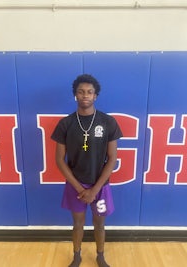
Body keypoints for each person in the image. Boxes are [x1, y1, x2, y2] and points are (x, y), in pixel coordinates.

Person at [51, 74, 122, 267]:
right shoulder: (66, 123)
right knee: (78, 224)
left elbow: (112, 158)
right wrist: (80, 188)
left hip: (101, 186)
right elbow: (59, 159)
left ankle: (100, 256)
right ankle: (77, 256)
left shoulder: (108, 122)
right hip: (76, 186)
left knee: (100, 224)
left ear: (96, 96)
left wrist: (94, 189)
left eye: (90, 92)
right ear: (75, 95)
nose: (85, 95)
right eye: (81, 92)